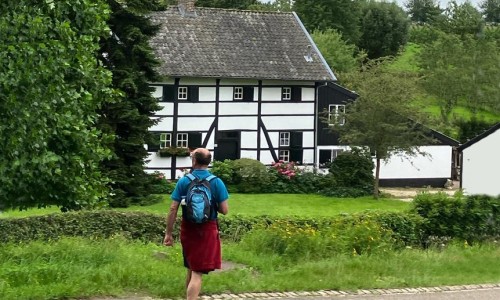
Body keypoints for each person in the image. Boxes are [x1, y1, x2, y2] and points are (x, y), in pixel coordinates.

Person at [163, 148, 229, 300]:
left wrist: (168, 233)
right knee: (197, 272)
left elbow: (173, 208)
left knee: (191, 267)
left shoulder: (184, 181)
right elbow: (224, 210)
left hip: (188, 229)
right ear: (209, 162)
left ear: (194, 161)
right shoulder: (216, 182)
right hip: (207, 229)